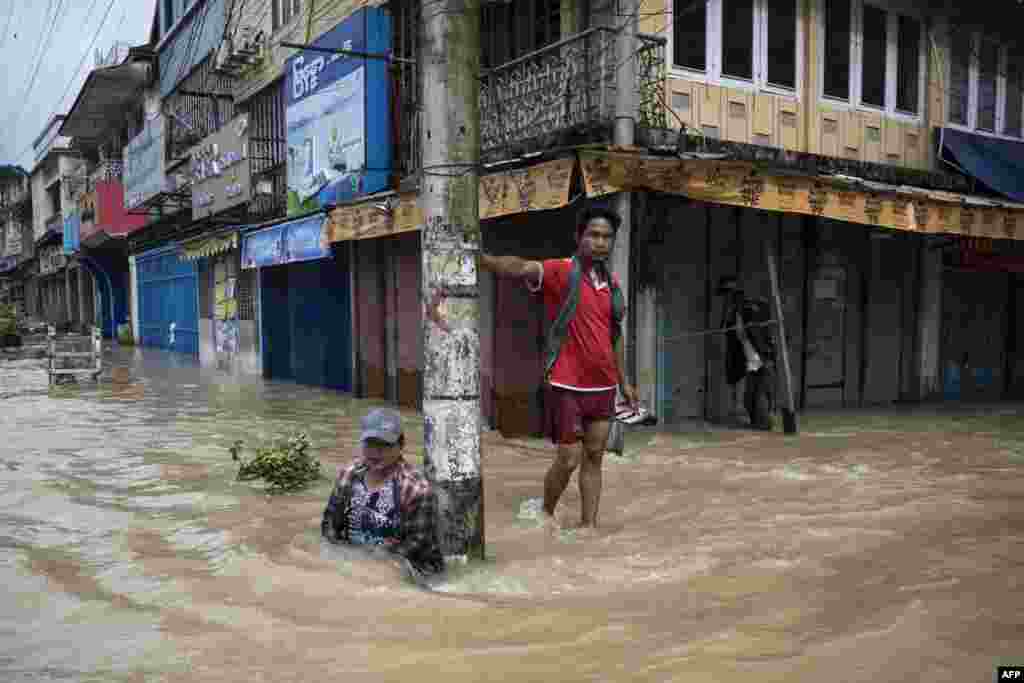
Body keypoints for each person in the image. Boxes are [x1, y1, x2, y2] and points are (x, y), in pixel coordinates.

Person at [479, 206, 637, 530]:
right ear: (579, 237)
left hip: (604, 387)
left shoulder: (613, 284)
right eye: (593, 235)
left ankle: (588, 527)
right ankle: (546, 512)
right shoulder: (561, 271)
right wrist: (484, 260)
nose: (600, 242)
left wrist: (626, 382)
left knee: (595, 456)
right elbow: (521, 268)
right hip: (567, 384)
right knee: (568, 459)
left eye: (607, 237)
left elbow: (615, 335)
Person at [321, 408, 445, 580]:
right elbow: (329, 524)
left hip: (409, 570)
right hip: (356, 560)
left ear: (401, 446)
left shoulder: (417, 489)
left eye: (384, 445)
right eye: (370, 444)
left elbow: (417, 543)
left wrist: (376, 565)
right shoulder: (349, 474)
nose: (375, 452)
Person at [716, 275, 776, 431]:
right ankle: (758, 422)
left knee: (760, 393)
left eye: (728, 295)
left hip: (760, 356)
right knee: (750, 397)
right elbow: (733, 332)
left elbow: (755, 332)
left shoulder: (748, 308)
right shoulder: (735, 311)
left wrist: (765, 352)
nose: (726, 299)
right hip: (751, 359)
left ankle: (764, 423)